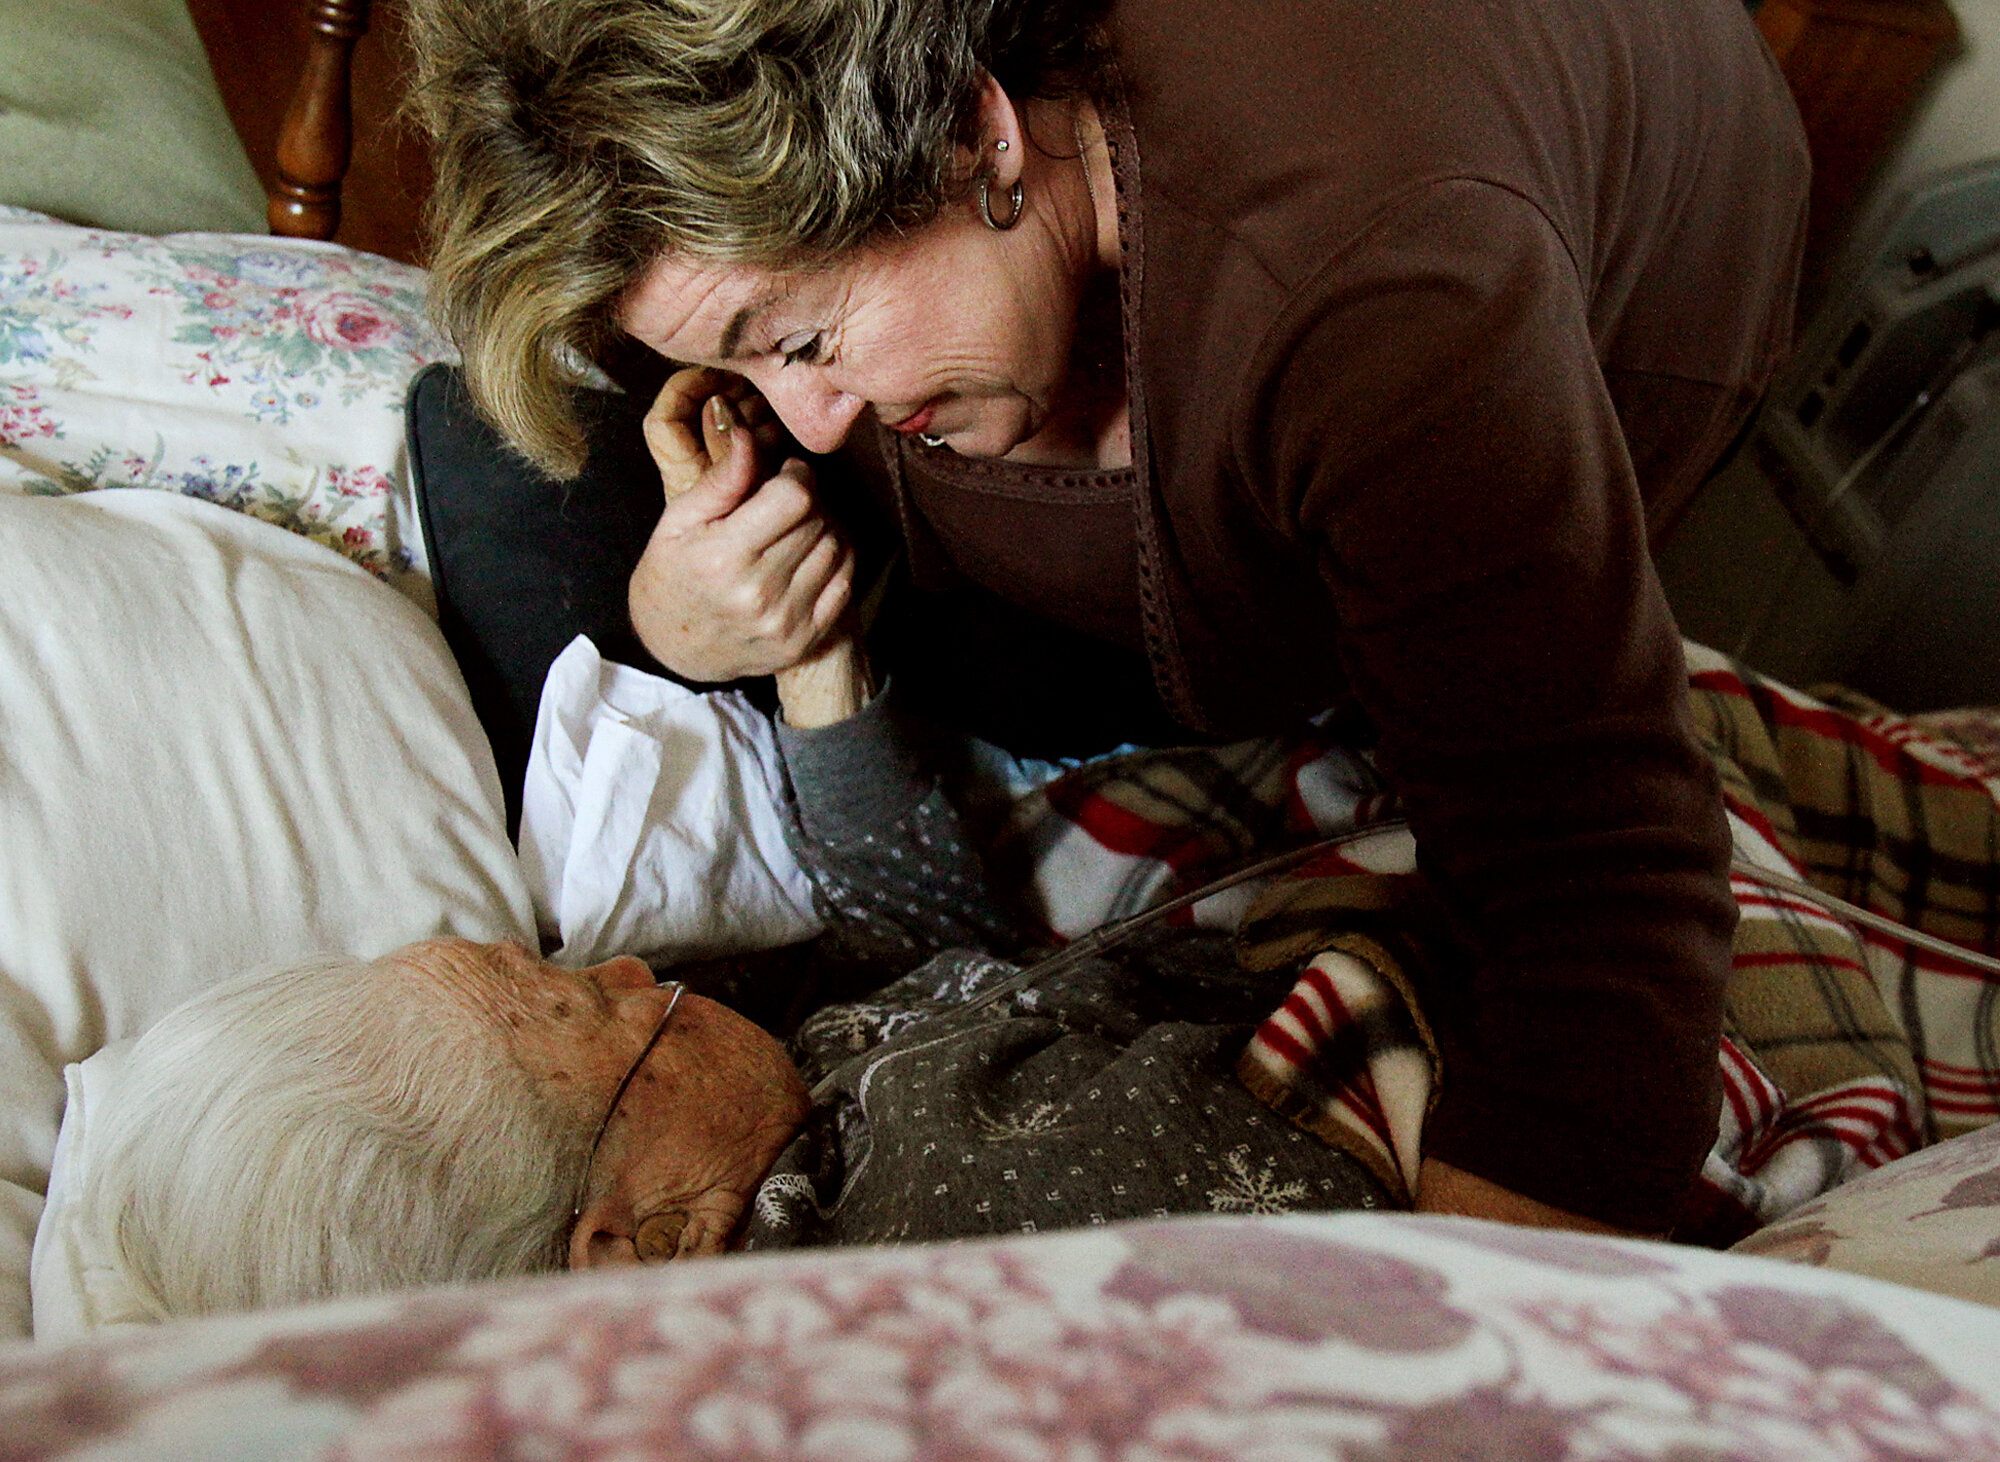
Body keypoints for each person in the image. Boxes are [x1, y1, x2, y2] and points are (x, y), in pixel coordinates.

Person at [403, 0, 1811, 1234]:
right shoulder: (881, 246)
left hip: (1645, 239)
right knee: (496, 452)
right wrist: (679, 625)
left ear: (981, 135)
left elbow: (1597, 883)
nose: (811, 418)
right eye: (747, 366)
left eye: (806, 341)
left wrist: (1461, 1360)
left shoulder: (1376, 295)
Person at [81, 661, 1392, 1321]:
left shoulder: (774, 1142)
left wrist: (821, 680)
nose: (636, 969)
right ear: (636, 1237)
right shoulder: (987, 1202)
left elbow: (937, 974)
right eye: (593, 1010)